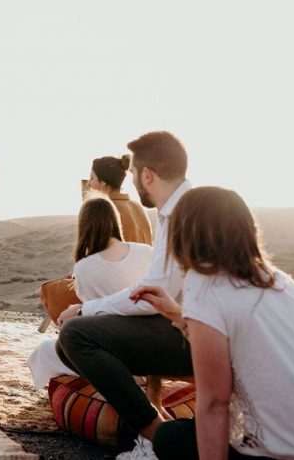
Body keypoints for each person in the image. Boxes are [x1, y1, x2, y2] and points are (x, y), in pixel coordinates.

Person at [132, 187, 294, 460]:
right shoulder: (280, 281)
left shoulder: (206, 287)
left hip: (283, 451)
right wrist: (179, 315)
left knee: (170, 437)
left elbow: (214, 403)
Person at [55, 131, 193, 459]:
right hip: (188, 325)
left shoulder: (180, 216)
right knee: (68, 342)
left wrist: (85, 310)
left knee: (75, 335)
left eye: (132, 175)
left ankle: (155, 437)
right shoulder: (176, 211)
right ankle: (155, 423)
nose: (129, 181)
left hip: (200, 334)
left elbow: (151, 296)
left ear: (147, 175)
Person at [28, 193, 152, 388]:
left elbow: (92, 316)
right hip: (153, 343)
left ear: (84, 226)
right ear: (115, 220)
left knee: (44, 351)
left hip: (117, 348)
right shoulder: (147, 251)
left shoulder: (85, 267)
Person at [88, 155, 152, 245]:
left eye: (92, 178)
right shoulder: (138, 206)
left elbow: (95, 254)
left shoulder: (104, 211)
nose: (88, 184)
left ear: (103, 184)